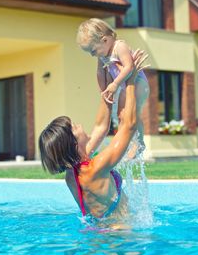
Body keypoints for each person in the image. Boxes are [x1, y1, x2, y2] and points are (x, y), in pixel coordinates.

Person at [39, 50, 147, 223]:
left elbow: (101, 126)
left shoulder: (72, 173)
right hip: (120, 236)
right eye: (75, 127)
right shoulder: (97, 168)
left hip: (98, 234)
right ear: (74, 143)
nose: (80, 125)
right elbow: (129, 126)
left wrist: (106, 86)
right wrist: (131, 81)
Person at [76, 18, 150, 152]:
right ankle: (126, 143)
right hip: (124, 85)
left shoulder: (119, 47)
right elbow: (99, 72)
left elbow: (129, 67)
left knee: (132, 113)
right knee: (122, 115)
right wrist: (103, 91)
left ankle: (139, 143)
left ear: (104, 40)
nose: (93, 55)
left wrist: (115, 84)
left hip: (139, 83)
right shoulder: (103, 54)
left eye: (93, 51)